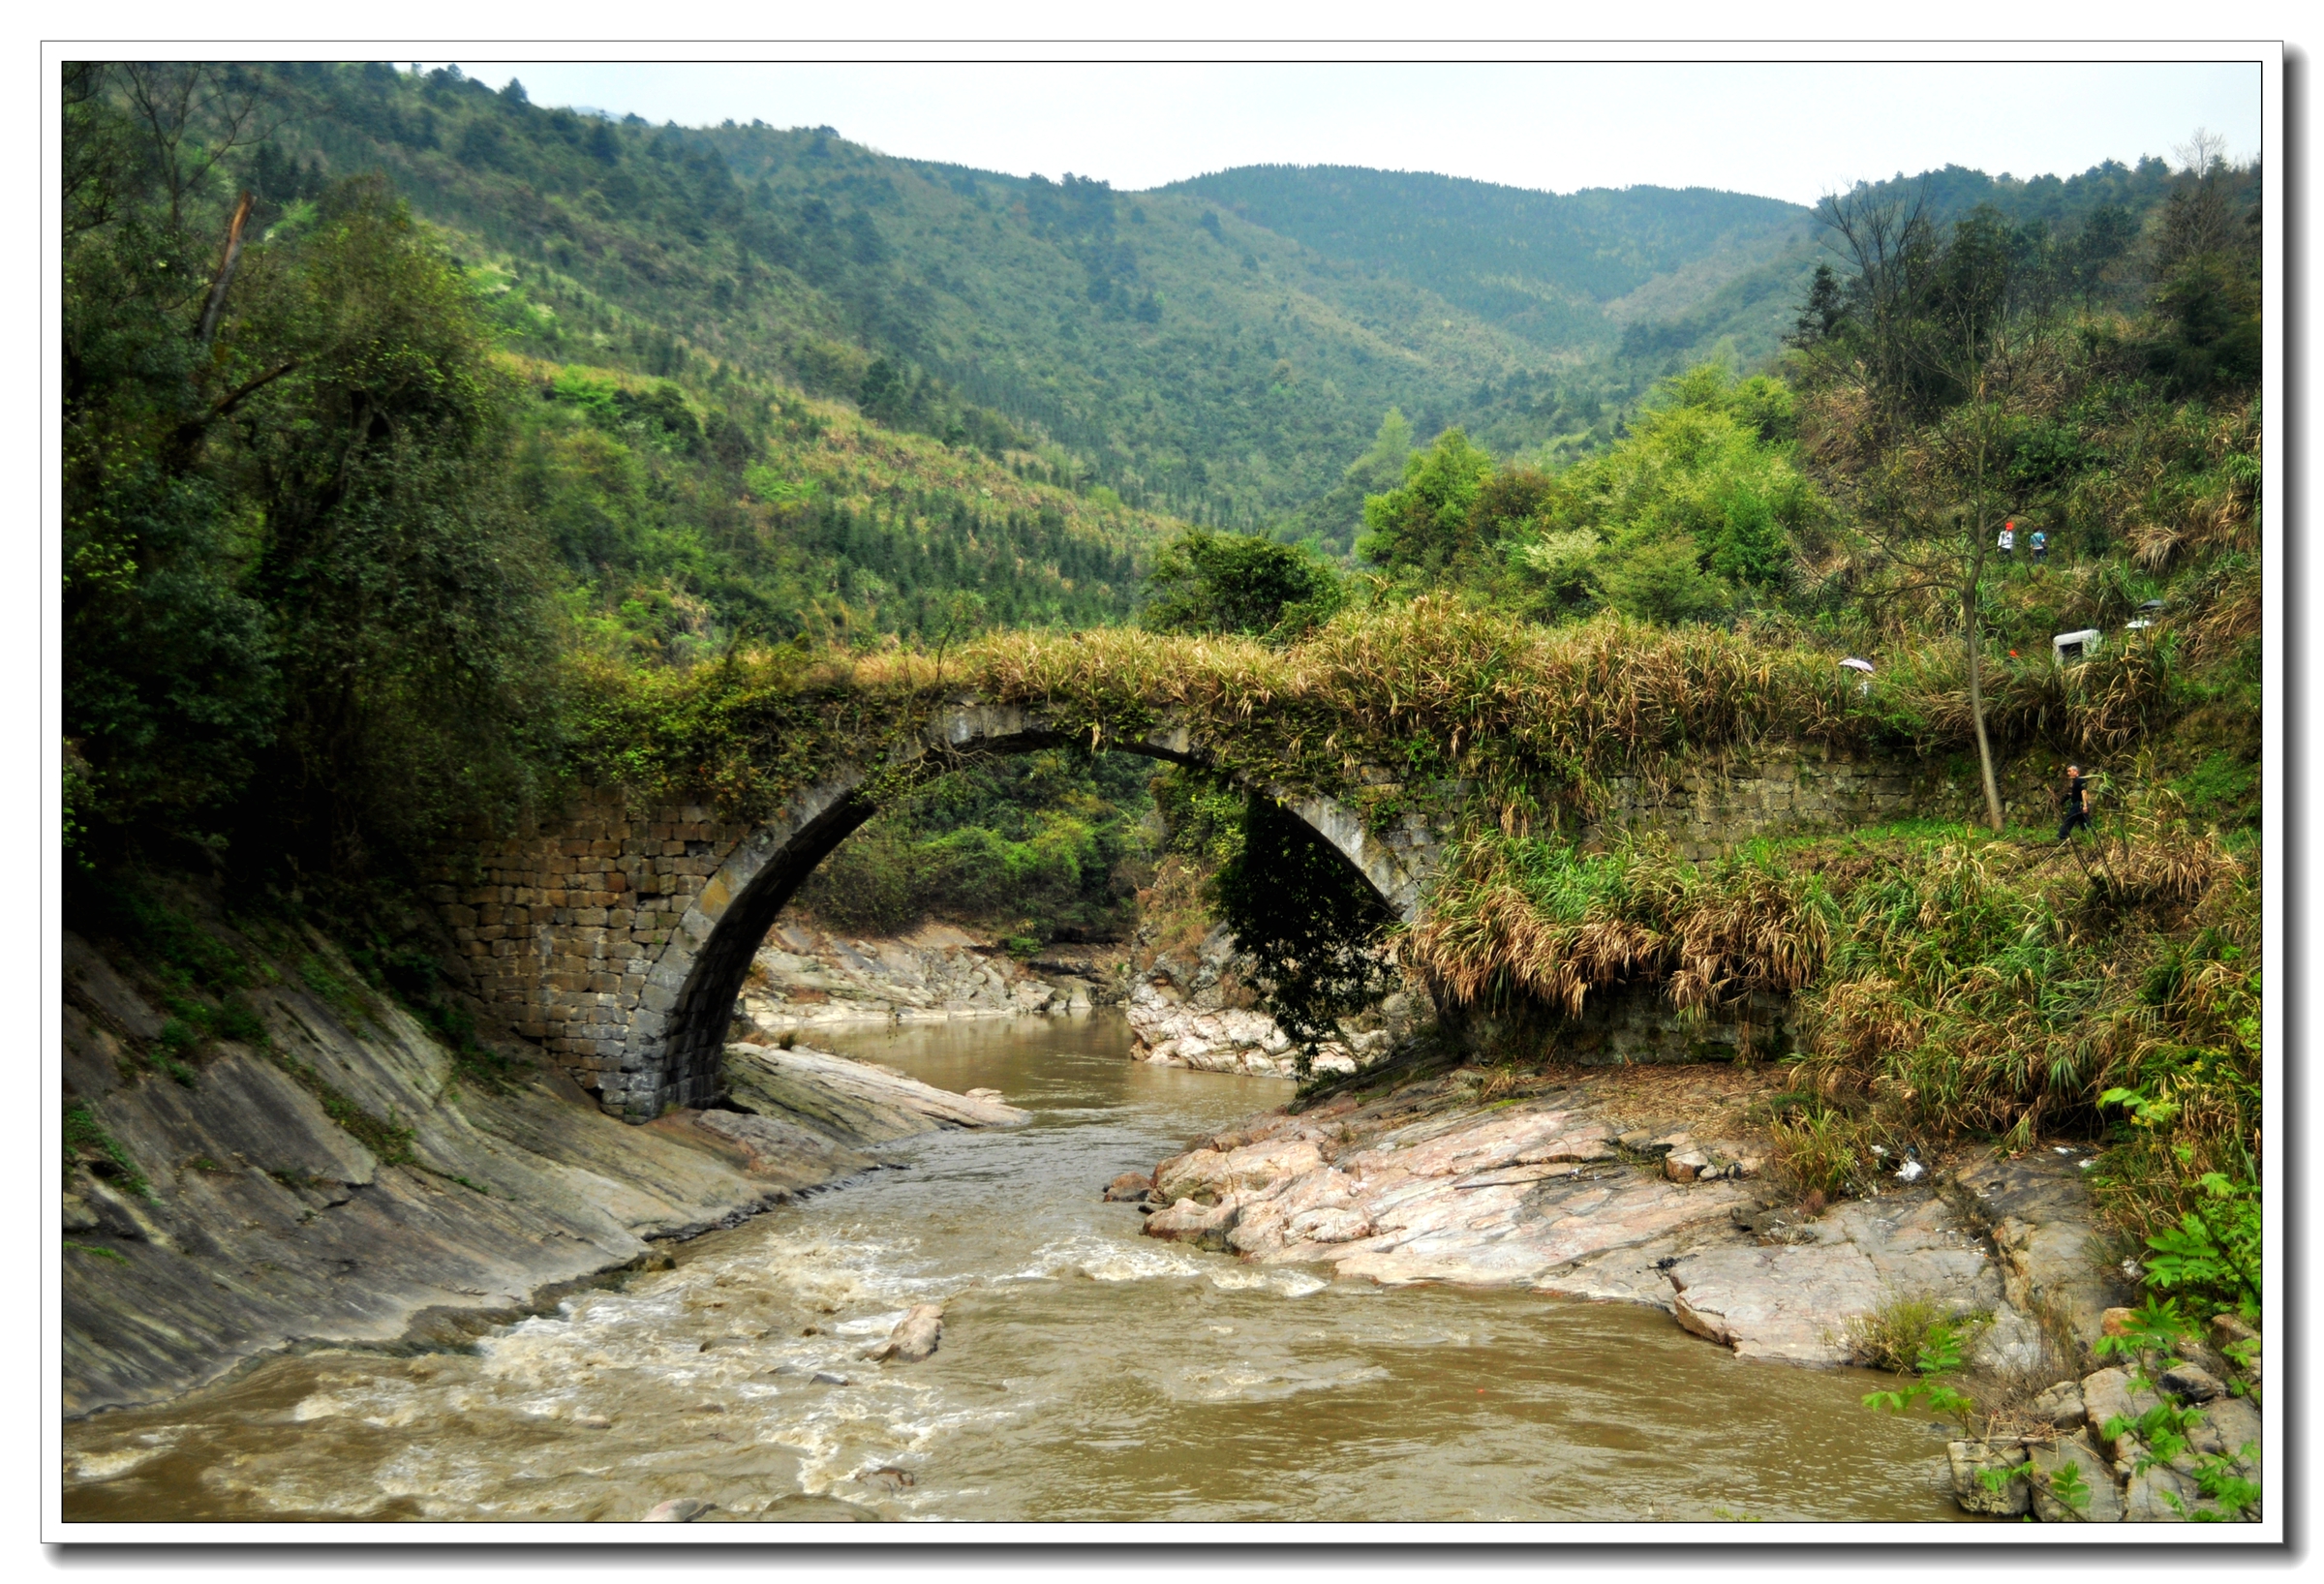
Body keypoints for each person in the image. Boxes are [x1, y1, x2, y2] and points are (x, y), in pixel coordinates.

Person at [2057, 764, 2092, 841]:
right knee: (2084, 821)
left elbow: (2084, 792)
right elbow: (2073, 794)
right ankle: (2089, 836)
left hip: (2079, 804)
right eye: (2067, 771)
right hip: (2079, 804)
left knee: (2069, 819)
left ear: (2076, 771)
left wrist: (2085, 805)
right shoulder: (2075, 782)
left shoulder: (2079, 780)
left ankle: (2061, 835)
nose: (2068, 773)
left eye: (2070, 771)